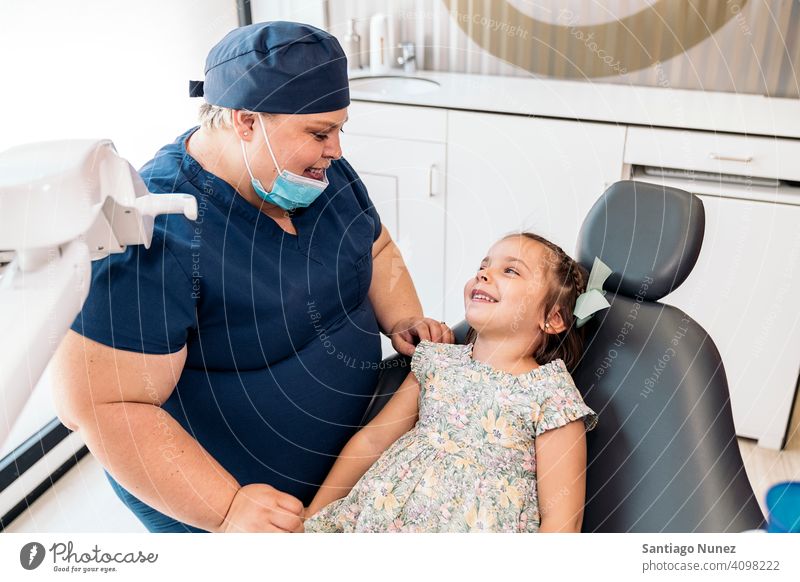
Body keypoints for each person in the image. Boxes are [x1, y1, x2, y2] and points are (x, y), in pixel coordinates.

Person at [51, 21, 451, 533]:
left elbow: (375, 246)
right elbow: (96, 403)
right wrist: (227, 508)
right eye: (319, 132)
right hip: (234, 503)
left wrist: (405, 317)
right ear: (245, 121)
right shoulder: (155, 225)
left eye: (338, 130)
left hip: (353, 460)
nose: (336, 151)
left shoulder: (312, 178)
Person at [303, 233, 602, 532]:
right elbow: (372, 441)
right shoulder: (437, 363)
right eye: (482, 266)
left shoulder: (552, 397)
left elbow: (562, 520)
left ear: (552, 318)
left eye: (510, 270)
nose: (483, 274)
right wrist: (310, 519)